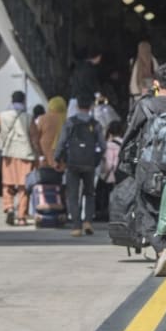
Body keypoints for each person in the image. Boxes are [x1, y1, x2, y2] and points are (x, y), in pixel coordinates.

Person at [119, 63, 166, 276]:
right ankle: (164, 252)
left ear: (155, 83)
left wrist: (124, 160)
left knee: (145, 211)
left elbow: (130, 135)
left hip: (147, 167)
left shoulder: (145, 106)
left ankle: (161, 249)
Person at [0, 90, 39, 226]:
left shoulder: (3, 116)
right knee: (23, 188)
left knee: (7, 184)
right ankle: (21, 218)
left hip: (8, 155)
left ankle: (9, 208)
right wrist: (38, 154)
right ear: (24, 101)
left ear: (12, 101)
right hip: (25, 155)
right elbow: (35, 138)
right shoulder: (28, 118)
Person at [55, 93, 106, 237]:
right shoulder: (95, 124)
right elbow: (103, 146)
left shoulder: (70, 123)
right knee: (89, 193)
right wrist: (96, 158)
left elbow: (61, 142)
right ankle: (88, 222)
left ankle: (76, 226)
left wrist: (57, 158)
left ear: (77, 106)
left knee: (73, 194)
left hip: (73, 163)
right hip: (89, 163)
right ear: (91, 106)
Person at [96, 119, 124, 221]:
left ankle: (105, 214)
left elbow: (109, 163)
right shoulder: (125, 142)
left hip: (111, 176)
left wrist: (104, 176)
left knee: (105, 196)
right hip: (123, 175)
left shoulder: (109, 145)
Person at [31, 96, 67, 168]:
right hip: (61, 161)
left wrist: (40, 155)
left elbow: (35, 139)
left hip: (45, 159)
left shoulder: (43, 118)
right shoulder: (67, 120)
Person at [68, 51, 102, 117]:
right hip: (83, 100)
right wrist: (98, 94)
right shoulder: (89, 69)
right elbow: (91, 83)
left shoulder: (79, 66)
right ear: (97, 57)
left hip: (74, 98)